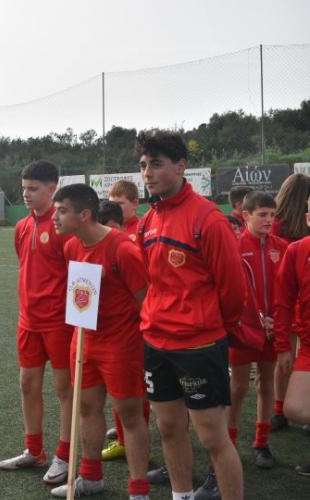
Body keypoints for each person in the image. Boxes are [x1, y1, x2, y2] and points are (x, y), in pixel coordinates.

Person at [135, 130, 246, 500]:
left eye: (156, 164)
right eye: (143, 165)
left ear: (181, 166)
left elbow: (233, 290)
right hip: (156, 342)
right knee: (168, 428)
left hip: (199, 346)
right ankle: (180, 495)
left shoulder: (207, 219)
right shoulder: (147, 220)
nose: (147, 173)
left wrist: (211, 329)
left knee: (212, 438)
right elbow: (151, 282)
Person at [49, 184, 151, 500]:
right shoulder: (71, 247)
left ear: (84, 214)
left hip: (121, 345)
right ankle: (90, 477)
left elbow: (146, 302)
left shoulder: (123, 249)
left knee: (129, 415)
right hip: (84, 340)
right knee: (86, 408)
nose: (55, 217)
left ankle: (138, 490)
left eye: (62, 211)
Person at [0, 160, 75, 486]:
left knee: (65, 390)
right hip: (28, 322)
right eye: (24, 188)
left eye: (33, 189)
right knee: (28, 385)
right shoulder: (22, 227)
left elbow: (77, 277)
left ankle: (65, 455)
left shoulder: (64, 229)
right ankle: (34, 450)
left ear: (52, 189)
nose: (26, 194)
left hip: (59, 324)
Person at [227, 191, 287, 470]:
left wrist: (277, 320)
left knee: (266, 383)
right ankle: (229, 443)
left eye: (272, 215)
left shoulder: (282, 247)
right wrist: (251, 319)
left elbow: (287, 290)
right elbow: (232, 292)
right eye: (262, 214)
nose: (268, 220)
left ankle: (261, 443)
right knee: (238, 388)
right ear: (245, 216)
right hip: (244, 330)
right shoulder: (235, 247)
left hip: (273, 328)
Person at [102, 182, 153, 462]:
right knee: (119, 387)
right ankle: (124, 436)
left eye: (120, 203)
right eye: (111, 202)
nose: (115, 208)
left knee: (136, 387)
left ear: (135, 203)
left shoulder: (142, 230)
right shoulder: (108, 230)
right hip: (113, 323)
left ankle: (134, 437)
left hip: (137, 320)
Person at [269, 173, 310, 430]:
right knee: (291, 354)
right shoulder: (294, 239)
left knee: (283, 359)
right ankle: (284, 408)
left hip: (287, 293)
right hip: (295, 294)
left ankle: (278, 409)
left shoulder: (275, 221)